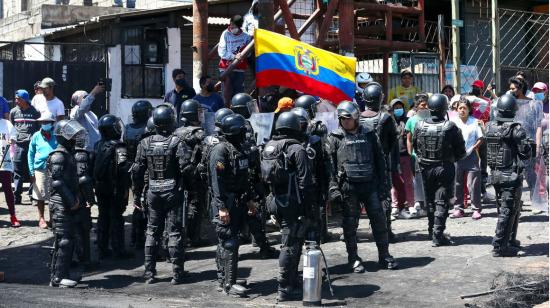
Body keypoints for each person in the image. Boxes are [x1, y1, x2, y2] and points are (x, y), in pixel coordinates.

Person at [327, 101, 397, 273]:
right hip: (349, 188)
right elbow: (329, 166)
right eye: (342, 118)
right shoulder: (334, 137)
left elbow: (380, 160)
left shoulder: (369, 134)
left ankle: (384, 255)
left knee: (379, 222)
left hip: (371, 185)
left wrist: (384, 185)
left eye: (348, 118)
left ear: (356, 117)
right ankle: (353, 258)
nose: (345, 121)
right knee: (350, 226)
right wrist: (333, 189)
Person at [132, 104, 190, 285]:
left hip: (153, 191)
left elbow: (136, 171)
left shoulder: (144, 143)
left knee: (152, 231)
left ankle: (149, 273)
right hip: (172, 191)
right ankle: (177, 274)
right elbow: (186, 168)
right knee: (174, 232)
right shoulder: (176, 142)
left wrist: (136, 194)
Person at [262, 111, 313, 301]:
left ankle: (291, 280)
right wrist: (308, 207)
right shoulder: (296, 149)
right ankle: (284, 287)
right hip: (292, 202)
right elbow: (305, 181)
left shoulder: (269, 146)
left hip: (275, 200)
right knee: (290, 244)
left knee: (292, 240)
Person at [208, 114, 256, 296]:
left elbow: (244, 177)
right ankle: (229, 284)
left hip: (237, 201)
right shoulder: (220, 150)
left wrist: (250, 199)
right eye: (242, 131)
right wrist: (221, 207)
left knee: (229, 242)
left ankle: (226, 279)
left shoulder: (238, 148)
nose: (245, 134)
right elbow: (216, 182)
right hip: (224, 202)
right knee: (229, 242)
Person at [413, 94, 466, 246]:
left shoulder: (419, 125)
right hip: (444, 167)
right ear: (444, 108)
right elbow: (460, 150)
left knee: (430, 200)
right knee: (441, 200)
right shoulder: (450, 126)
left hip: (425, 167)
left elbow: (416, 146)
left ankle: (432, 231)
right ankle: (438, 234)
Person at [486, 94, 534, 257]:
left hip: (496, 174)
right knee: (508, 210)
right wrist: (528, 144)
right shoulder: (516, 129)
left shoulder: (489, 126)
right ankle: (500, 246)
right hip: (511, 175)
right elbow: (525, 154)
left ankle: (509, 240)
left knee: (510, 208)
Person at [46, 119, 86, 287]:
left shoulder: (67, 154)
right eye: (72, 135)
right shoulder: (59, 155)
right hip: (61, 203)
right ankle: (58, 278)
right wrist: (72, 201)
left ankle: (62, 274)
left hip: (66, 202)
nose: (75, 138)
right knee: (64, 240)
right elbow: (57, 182)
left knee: (66, 238)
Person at [360, 82, 398, 241]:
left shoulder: (357, 117)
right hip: (382, 164)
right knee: (384, 197)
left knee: (362, 198)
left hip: (362, 164)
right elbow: (392, 143)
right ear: (380, 98)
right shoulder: (386, 118)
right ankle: (385, 229)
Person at [93, 114, 133, 259]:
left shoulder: (97, 145)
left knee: (103, 216)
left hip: (100, 187)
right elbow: (123, 169)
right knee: (117, 217)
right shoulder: (119, 146)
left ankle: (102, 248)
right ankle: (119, 249)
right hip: (115, 187)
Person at [174, 99, 209, 247]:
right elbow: (206, 151)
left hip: (179, 172)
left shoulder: (176, 131)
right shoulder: (199, 132)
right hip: (194, 172)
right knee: (195, 203)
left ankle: (182, 235)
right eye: (198, 112)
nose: (201, 115)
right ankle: (193, 237)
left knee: (182, 204)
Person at [124, 100, 153, 248]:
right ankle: (142, 237)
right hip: (147, 170)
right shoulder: (148, 130)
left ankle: (135, 237)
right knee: (146, 205)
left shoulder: (127, 128)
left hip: (132, 170)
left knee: (136, 203)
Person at [509, 76, 543, 199]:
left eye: (513, 89)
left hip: (530, 144)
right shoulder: (510, 104)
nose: (510, 91)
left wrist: (538, 145)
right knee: (514, 174)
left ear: (521, 88)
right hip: (513, 144)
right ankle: (516, 201)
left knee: (531, 174)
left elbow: (538, 126)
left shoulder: (534, 104)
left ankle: (535, 200)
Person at [450, 98, 484, 219]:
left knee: (473, 184)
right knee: (456, 183)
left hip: (471, 156)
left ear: (469, 109)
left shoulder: (475, 122)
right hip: (456, 157)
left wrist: (473, 148)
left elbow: (480, 138)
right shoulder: (452, 122)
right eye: (460, 108)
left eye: (465, 108)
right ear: (456, 109)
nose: (462, 110)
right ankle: (458, 208)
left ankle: (476, 209)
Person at [10, 89, 41, 204]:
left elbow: (39, 128)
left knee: (32, 170)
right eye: (16, 99)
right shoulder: (13, 112)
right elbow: (12, 127)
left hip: (32, 145)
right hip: (18, 145)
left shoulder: (35, 112)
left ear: (25, 99)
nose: (16, 101)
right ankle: (17, 197)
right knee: (17, 171)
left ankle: (34, 197)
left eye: (18, 99)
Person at [28, 112, 57, 229]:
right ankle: (41, 218)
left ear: (52, 123)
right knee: (40, 195)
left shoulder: (56, 134)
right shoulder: (36, 136)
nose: (45, 124)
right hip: (40, 169)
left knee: (53, 196)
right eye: (43, 122)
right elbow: (30, 154)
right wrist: (31, 171)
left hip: (55, 168)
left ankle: (52, 219)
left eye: (47, 122)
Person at [73, 131, 96, 269]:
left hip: (67, 197)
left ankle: (72, 258)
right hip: (80, 196)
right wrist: (90, 198)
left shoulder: (60, 153)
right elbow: (84, 178)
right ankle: (85, 259)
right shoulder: (81, 155)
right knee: (84, 227)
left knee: (71, 230)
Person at [405, 93, 430, 217]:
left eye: (427, 105)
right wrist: (411, 154)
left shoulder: (432, 118)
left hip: (431, 155)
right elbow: (409, 139)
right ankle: (420, 202)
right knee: (418, 180)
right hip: (417, 155)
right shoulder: (412, 120)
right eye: (423, 105)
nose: (425, 107)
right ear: (417, 107)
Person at [388, 98, 415, 219]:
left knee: (408, 181)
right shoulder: (389, 122)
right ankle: (395, 205)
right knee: (393, 183)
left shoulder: (407, 121)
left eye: (400, 107)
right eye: (395, 107)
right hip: (392, 156)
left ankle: (410, 204)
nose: (398, 110)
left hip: (405, 155)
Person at [218, 15, 252, 106]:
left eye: (234, 26)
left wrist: (242, 56)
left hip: (239, 69)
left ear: (240, 26)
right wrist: (234, 57)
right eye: (231, 25)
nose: (232, 28)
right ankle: (225, 111)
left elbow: (248, 54)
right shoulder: (225, 34)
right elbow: (222, 52)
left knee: (238, 94)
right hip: (225, 68)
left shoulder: (246, 36)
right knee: (226, 95)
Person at [69, 83, 106, 152]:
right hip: (84, 152)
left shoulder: (92, 114)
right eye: (85, 97)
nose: (89, 99)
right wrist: (93, 92)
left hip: (96, 151)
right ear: (77, 101)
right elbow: (82, 108)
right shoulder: (75, 111)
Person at [0, 113, 19, 227]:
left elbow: (14, 136)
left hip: (4, 163)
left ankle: (13, 215)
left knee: (7, 189)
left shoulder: (6, 123)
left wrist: (12, 140)